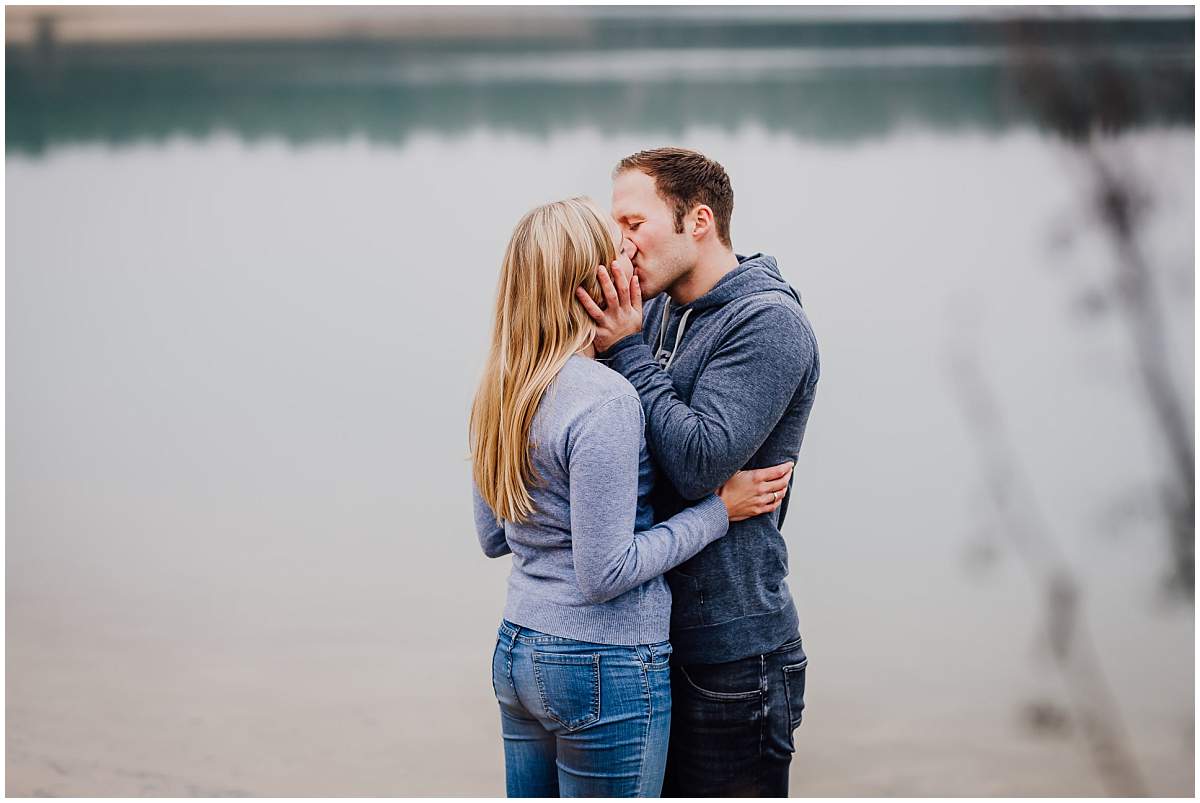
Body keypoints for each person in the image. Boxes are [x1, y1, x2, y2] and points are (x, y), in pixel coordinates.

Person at [470, 196, 795, 798]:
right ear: (590, 280)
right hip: (603, 658)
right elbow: (604, 572)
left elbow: (494, 536)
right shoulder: (606, 401)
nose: (629, 258)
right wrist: (717, 512)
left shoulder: (503, 385)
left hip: (518, 648)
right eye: (615, 251)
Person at [575, 148, 821, 797]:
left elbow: (695, 463)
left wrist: (626, 347)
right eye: (614, 226)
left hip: (733, 657)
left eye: (633, 223)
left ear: (699, 221)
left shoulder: (769, 323)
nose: (618, 245)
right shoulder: (653, 307)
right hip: (648, 643)